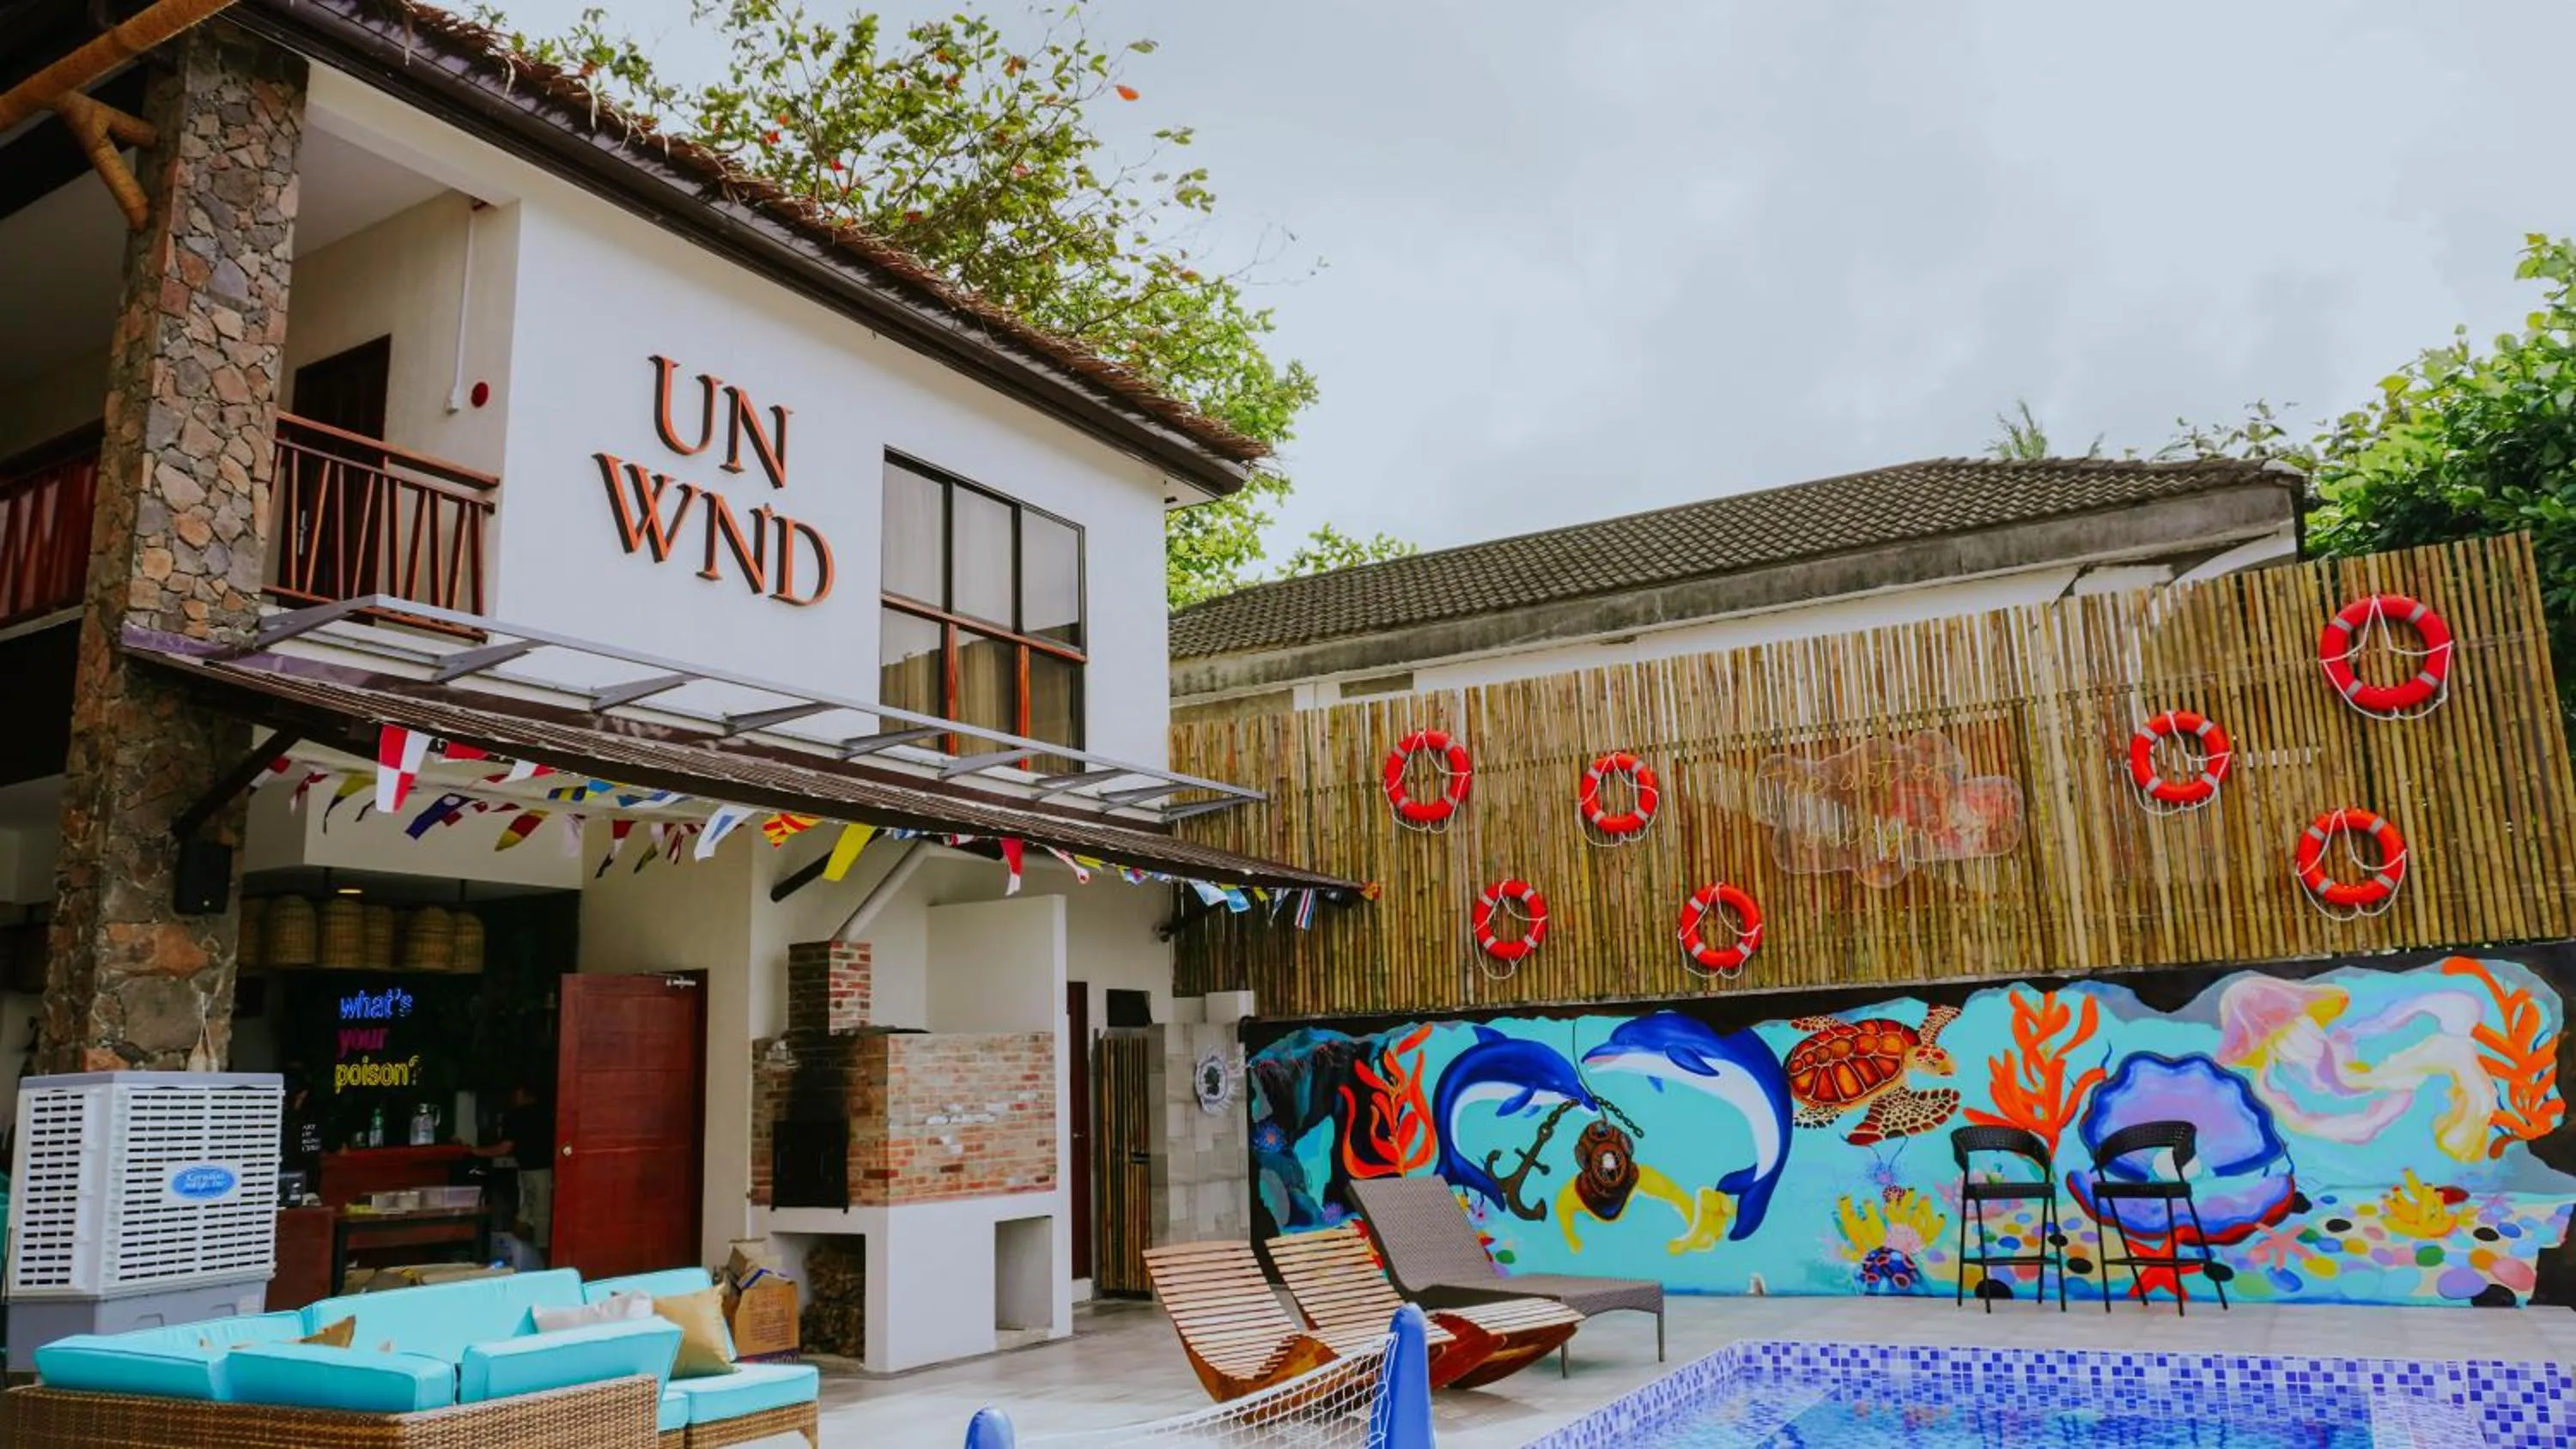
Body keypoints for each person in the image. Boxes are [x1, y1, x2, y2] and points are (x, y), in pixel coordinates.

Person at [465, 1083, 555, 1267]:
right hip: (537, 1173)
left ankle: (548, 1267)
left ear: (522, 1093)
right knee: (527, 1223)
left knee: (540, 1225)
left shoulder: (518, 1116)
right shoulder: (548, 1113)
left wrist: (474, 1151)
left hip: (536, 1174)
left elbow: (504, 1148)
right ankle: (536, 1262)